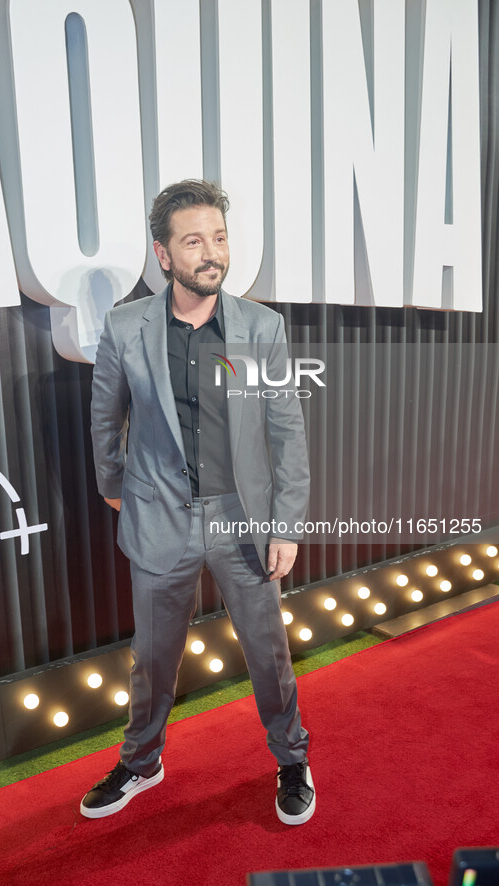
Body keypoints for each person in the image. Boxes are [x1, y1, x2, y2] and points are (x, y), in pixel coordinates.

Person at [82, 180, 313, 825]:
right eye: (193, 241)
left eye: (218, 237)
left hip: (243, 519)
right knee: (153, 657)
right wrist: (111, 485)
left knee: (266, 649)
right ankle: (141, 760)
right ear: (163, 255)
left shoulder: (260, 326)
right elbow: (107, 418)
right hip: (158, 517)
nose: (211, 253)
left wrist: (285, 524)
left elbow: (284, 428)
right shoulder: (125, 327)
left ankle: (291, 758)